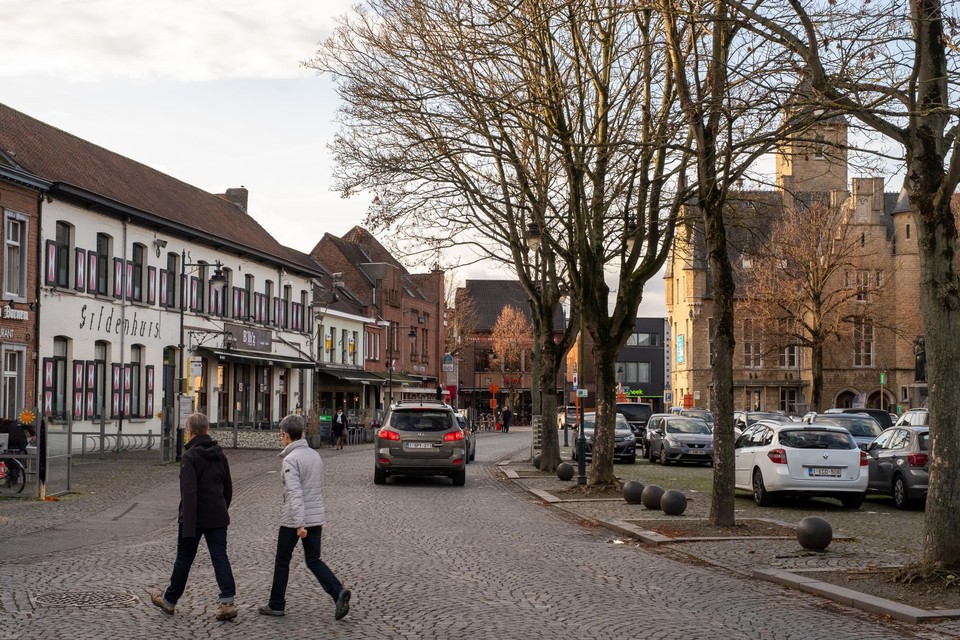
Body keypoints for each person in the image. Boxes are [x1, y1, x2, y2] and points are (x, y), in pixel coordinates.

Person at [259, 414, 352, 621]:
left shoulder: (291, 460)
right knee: (313, 559)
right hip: (316, 516)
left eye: (281, 434)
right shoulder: (314, 455)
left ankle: (276, 604)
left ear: (285, 435)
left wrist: (300, 524)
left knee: (282, 560)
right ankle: (338, 592)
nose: (281, 438)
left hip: (294, 519)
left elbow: (294, 493)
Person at [152, 412, 237, 621]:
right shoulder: (220, 454)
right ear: (206, 430)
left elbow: (189, 493)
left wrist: (188, 525)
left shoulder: (190, 457)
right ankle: (227, 602)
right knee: (220, 558)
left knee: (184, 558)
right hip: (217, 515)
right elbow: (228, 487)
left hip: (194, 518)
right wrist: (221, 508)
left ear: (189, 432)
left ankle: (169, 601)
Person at [0, 419, 35, 484]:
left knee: (7, 459)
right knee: (17, 458)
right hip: (22, 443)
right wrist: (33, 433)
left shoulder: (3, 427)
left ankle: (13, 476)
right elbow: (27, 424)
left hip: (12, 443)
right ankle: (14, 477)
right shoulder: (16, 422)